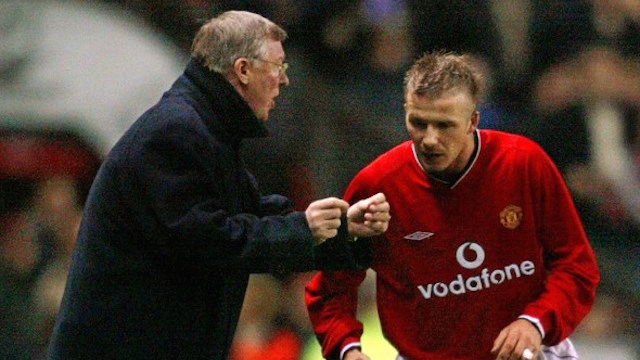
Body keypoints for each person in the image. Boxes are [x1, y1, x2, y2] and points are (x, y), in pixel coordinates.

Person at [47, 10, 390, 360]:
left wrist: (347, 233)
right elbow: (211, 242)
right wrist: (305, 229)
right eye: (278, 67)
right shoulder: (174, 132)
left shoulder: (202, 130)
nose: (284, 81)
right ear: (242, 70)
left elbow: (252, 217)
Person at [305, 52, 600, 360]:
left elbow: (576, 267)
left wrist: (536, 322)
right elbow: (330, 291)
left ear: (473, 120)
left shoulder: (523, 164)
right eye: (418, 123)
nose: (430, 139)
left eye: (444, 125)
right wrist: (348, 351)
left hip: (532, 351)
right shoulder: (378, 186)